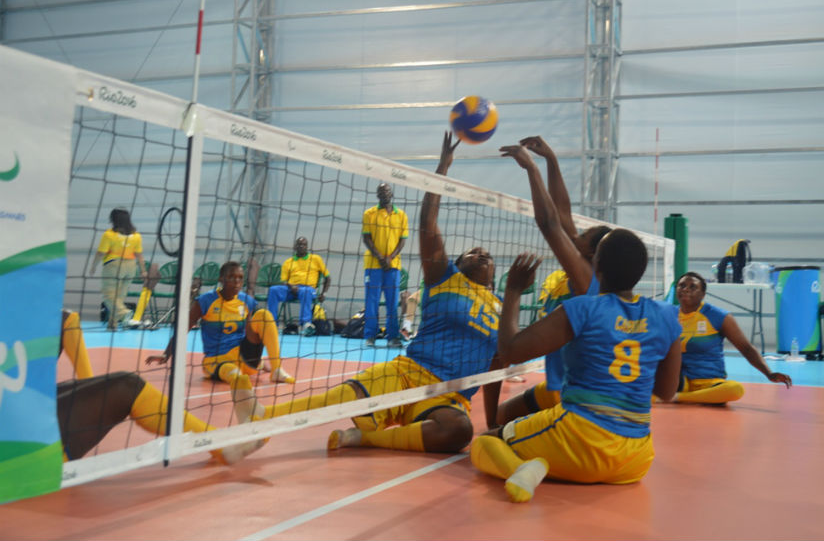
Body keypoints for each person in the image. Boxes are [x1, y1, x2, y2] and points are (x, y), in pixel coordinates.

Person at [233, 132, 503, 454]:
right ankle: (263, 420)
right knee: (347, 395)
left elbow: (499, 364)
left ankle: (366, 438)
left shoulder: (501, 306)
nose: (481, 254)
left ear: (493, 278)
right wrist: (442, 170)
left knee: (459, 432)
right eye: (473, 252)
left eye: (487, 255)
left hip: (449, 396)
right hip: (407, 374)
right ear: (457, 264)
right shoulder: (444, 277)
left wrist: (494, 418)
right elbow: (428, 223)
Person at [470, 230, 683, 503]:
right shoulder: (666, 315)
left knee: (486, 442)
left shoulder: (582, 309)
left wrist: (513, 290)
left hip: (580, 442)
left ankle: (521, 469)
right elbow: (667, 391)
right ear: (640, 271)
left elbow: (510, 351)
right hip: (634, 461)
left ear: (597, 266)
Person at [495, 137, 611, 425]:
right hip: (558, 384)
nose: (575, 235)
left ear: (592, 253)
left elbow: (550, 222)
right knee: (500, 417)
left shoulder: (587, 280)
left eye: (583, 235)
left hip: (574, 395)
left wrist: (532, 169)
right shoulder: (587, 271)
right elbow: (562, 214)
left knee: (494, 440)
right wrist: (551, 160)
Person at [57, 310, 264, 464]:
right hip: (43, 438)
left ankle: (219, 442)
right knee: (127, 385)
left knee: (126, 384)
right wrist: (167, 354)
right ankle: (220, 443)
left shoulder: (62, 318)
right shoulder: (208, 302)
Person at [147, 261, 295, 386]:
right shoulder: (206, 301)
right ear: (221, 279)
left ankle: (277, 369)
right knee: (236, 376)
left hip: (245, 359)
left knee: (264, 315)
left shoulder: (246, 301)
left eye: (240, 278)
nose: (237, 282)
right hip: (217, 361)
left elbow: (252, 333)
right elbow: (182, 329)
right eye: (231, 277)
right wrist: (167, 353)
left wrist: (258, 359)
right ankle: (243, 373)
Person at [671, 271, 791, 404]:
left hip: (710, 382)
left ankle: (679, 397)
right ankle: (693, 396)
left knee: (735, 390)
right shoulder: (668, 315)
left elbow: (746, 348)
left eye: (692, 287)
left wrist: (769, 373)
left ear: (703, 294)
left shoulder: (719, 316)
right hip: (680, 381)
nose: (686, 289)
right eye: (682, 286)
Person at [362, 182, 408, 348]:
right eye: (381, 191)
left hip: (393, 266)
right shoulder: (369, 214)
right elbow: (366, 238)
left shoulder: (401, 215)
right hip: (373, 265)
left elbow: (402, 240)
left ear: (392, 194)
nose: (384, 193)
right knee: (372, 302)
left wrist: (390, 257)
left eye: (387, 191)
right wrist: (381, 257)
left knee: (392, 303)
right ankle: (370, 336)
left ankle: (392, 337)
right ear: (377, 195)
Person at [88, 208, 148, 330]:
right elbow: (139, 255)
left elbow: (101, 253)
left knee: (109, 295)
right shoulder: (136, 236)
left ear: (113, 220)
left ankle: (124, 313)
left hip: (114, 266)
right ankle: (112, 324)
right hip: (131, 267)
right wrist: (143, 270)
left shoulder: (109, 235)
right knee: (119, 297)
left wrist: (93, 266)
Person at [266, 237, 331, 336]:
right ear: (295, 247)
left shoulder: (316, 259)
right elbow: (284, 281)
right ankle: (272, 323)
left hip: (308, 289)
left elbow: (328, 278)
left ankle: (306, 325)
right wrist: (291, 286)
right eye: (299, 244)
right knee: (273, 290)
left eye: (304, 245)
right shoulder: (288, 262)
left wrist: (324, 293)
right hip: (290, 288)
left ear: (307, 247)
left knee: (305, 292)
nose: (301, 246)